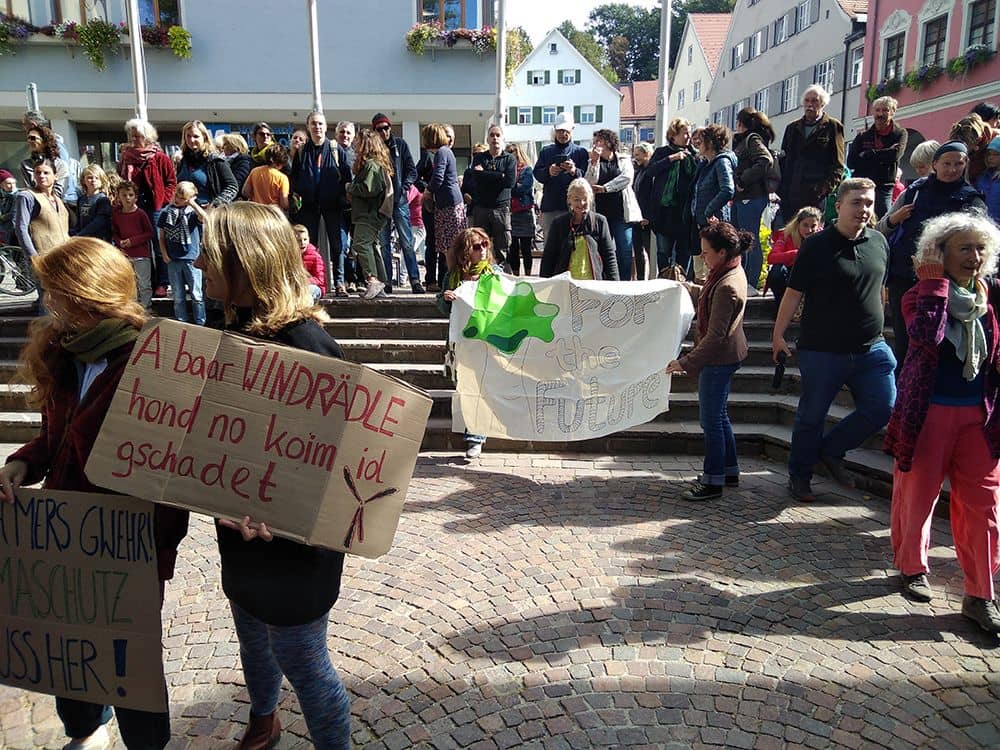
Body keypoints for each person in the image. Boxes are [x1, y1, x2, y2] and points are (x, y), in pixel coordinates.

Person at [0, 236, 188, 750]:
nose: (46, 302)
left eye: (53, 291)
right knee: (70, 644)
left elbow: (178, 465)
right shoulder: (64, 352)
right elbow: (54, 434)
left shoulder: (156, 360)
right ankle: (85, 732)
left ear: (84, 296)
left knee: (130, 658)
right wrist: (23, 462)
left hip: (127, 542)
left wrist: (155, 542)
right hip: (67, 536)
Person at [194, 202, 351, 749]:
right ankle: (265, 719)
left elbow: (338, 465)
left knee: (301, 659)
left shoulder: (308, 345)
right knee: (252, 637)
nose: (197, 263)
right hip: (240, 531)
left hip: (293, 544)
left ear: (248, 263)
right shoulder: (229, 331)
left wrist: (280, 514)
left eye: (211, 255)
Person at [885, 212, 1000, 634]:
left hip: (980, 417)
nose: (974, 257)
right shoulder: (918, 297)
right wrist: (935, 285)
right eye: (964, 248)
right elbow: (926, 339)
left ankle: (980, 594)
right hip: (929, 412)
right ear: (940, 254)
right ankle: (912, 566)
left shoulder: (994, 295)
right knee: (919, 496)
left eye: (980, 248)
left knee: (985, 507)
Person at [773, 177, 896, 502]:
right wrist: (777, 334)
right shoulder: (816, 245)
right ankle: (799, 475)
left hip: (872, 348)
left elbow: (880, 289)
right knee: (811, 415)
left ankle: (830, 450)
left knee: (883, 406)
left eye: (869, 203)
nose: (864, 209)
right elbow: (793, 293)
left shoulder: (879, 242)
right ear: (839, 206)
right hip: (823, 350)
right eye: (856, 202)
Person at [877, 141, 987, 368]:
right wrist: (894, 220)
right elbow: (881, 227)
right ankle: (904, 395)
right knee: (905, 344)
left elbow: (980, 240)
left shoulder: (972, 199)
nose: (952, 169)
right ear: (935, 164)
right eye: (946, 163)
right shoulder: (915, 191)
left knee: (937, 344)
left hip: (948, 284)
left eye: (959, 163)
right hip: (904, 277)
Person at [667, 222, 750, 501]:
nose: (703, 257)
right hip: (727, 355)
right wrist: (685, 287)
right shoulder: (729, 270)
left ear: (723, 252)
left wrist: (686, 362)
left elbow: (715, 337)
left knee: (711, 421)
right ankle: (729, 470)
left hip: (719, 359)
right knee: (720, 416)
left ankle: (712, 481)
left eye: (706, 252)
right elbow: (707, 295)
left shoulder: (727, 285)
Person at [437, 227, 501, 458]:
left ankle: (476, 437)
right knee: (466, 387)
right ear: (466, 252)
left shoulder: (494, 273)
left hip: (486, 340)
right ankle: (472, 430)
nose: (483, 250)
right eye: (477, 246)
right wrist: (446, 298)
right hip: (462, 342)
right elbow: (442, 307)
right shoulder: (453, 275)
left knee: (480, 387)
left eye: (485, 244)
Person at [289, 111, 352, 297]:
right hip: (308, 205)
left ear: (326, 127)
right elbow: (295, 178)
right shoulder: (301, 151)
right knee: (309, 245)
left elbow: (346, 175)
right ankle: (309, 283)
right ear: (308, 127)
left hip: (333, 204)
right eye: (314, 124)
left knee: (338, 245)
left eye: (320, 124)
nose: (317, 127)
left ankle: (340, 283)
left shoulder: (335, 149)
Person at [118, 118, 178, 296]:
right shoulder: (126, 157)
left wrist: (164, 201)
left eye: (138, 136)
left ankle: (162, 282)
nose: (134, 139)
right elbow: (122, 181)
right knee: (141, 246)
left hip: (156, 206)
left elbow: (171, 182)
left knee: (158, 245)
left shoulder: (160, 157)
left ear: (147, 137)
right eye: (132, 136)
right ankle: (146, 283)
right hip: (134, 205)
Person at [372, 113, 423, 294]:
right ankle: (387, 282)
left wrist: (405, 187)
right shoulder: (373, 149)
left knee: (407, 242)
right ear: (375, 131)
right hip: (381, 202)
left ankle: (415, 280)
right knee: (384, 244)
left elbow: (411, 170)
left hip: (399, 200)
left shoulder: (399, 145)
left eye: (386, 128)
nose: (384, 132)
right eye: (380, 129)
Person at [778, 84, 846, 219]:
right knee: (789, 234)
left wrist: (826, 188)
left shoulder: (833, 126)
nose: (810, 104)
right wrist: (781, 189)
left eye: (814, 101)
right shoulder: (792, 127)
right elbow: (784, 159)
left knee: (812, 233)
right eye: (807, 101)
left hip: (815, 192)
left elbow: (838, 163)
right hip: (791, 191)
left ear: (822, 104)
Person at [585, 128, 641, 280]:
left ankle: (624, 282)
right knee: (604, 250)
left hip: (622, 213)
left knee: (625, 251)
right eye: (594, 141)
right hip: (601, 214)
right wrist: (594, 162)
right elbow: (589, 181)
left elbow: (627, 178)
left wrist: (605, 188)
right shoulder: (593, 162)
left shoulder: (623, 159)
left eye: (599, 141)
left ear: (609, 142)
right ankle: (606, 280)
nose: (595, 144)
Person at [644, 118, 698, 275]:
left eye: (689, 133)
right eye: (684, 133)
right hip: (664, 212)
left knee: (684, 251)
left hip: (685, 212)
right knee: (663, 252)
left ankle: (682, 283)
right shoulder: (662, 152)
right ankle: (664, 279)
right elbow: (651, 171)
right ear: (674, 135)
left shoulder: (694, 154)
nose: (688, 136)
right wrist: (672, 159)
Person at [731, 107, 776, 292]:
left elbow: (765, 160)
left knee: (750, 239)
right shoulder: (746, 140)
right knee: (744, 239)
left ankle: (750, 282)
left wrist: (743, 179)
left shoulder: (752, 139)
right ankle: (746, 280)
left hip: (751, 196)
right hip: (744, 197)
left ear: (740, 123)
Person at [540, 178, 619, 280]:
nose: (581, 203)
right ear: (569, 200)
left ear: (591, 198)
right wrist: (544, 284)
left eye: (585, 199)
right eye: (576, 199)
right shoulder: (558, 224)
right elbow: (549, 257)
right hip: (565, 285)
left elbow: (609, 257)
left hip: (593, 285)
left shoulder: (600, 222)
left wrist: (615, 284)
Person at [346, 128, 393, 299]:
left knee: (361, 244)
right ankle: (380, 282)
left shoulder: (371, 165)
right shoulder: (376, 164)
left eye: (357, 142)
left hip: (368, 214)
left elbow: (369, 188)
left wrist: (350, 187)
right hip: (373, 214)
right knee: (372, 246)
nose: (354, 145)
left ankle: (373, 279)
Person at [847, 96, 908, 218]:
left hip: (883, 187)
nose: (880, 114)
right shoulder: (863, 136)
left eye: (885, 110)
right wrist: (884, 154)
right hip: (862, 185)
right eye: (877, 110)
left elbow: (894, 156)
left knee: (883, 221)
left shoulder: (900, 133)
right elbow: (851, 162)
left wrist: (868, 154)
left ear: (893, 112)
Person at [465, 124, 516, 268]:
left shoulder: (510, 159)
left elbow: (510, 182)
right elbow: (477, 179)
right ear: (487, 138)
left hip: (501, 209)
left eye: (498, 135)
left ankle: (503, 277)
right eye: (492, 135)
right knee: (479, 247)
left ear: (503, 138)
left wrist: (486, 175)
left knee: (503, 248)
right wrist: (500, 175)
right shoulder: (479, 158)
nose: (495, 138)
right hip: (481, 208)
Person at [690, 124, 737, 283]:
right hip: (703, 222)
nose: (698, 143)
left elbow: (728, 189)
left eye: (701, 140)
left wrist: (709, 211)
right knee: (703, 265)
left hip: (715, 222)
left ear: (710, 142)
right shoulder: (705, 164)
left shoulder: (721, 162)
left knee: (715, 265)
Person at [158, 181, 208, 325]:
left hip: (191, 258)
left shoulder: (192, 214)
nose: (178, 200)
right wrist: (164, 254)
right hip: (173, 259)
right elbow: (161, 236)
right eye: (177, 196)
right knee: (178, 295)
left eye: (183, 198)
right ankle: (181, 321)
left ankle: (201, 322)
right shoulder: (166, 213)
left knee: (196, 294)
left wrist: (192, 203)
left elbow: (205, 218)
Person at [532, 113, 589, 238]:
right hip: (550, 206)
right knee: (550, 247)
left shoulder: (581, 152)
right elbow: (537, 174)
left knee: (573, 244)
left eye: (566, 131)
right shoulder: (546, 151)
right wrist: (549, 171)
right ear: (555, 130)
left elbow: (587, 178)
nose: (563, 134)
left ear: (572, 129)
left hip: (575, 208)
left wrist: (574, 171)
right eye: (559, 131)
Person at [423, 123, 467, 275]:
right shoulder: (446, 152)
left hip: (449, 204)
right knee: (449, 245)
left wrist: (427, 192)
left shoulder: (442, 152)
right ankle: (451, 280)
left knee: (450, 246)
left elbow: (438, 177)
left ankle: (452, 281)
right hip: (449, 203)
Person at [765, 206, 823, 308]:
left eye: (813, 226)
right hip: (790, 273)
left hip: (812, 276)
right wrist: (797, 253)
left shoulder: (822, 237)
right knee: (777, 272)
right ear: (798, 224)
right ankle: (781, 306)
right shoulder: (786, 234)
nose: (809, 230)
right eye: (805, 225)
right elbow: (772, 257)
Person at [14, 160, 70, 261]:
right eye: (38, 173)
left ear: (55, 176)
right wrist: (33, 257)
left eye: (46, 173)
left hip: (64, 256)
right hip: (43, 259)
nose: (41, 176)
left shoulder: (57, 199)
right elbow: (21, 228)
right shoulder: (27, 196)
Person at [112, 180, 155, 309]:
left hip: (141, 255)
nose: (127, 198)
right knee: (130, 283)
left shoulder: (140, 213)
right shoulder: (117, 214)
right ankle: (133, 308)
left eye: (130, 195)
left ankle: (146, 307)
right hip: (125, 255)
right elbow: (115, 232)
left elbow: (149, 233)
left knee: (144, 284)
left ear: (136, 197)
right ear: (118, 196)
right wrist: (119, 242)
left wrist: (133, 241)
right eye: (124, 195)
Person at [506, 142, 536, 276]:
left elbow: (523, 189)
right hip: (510, 212)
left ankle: (528, 275)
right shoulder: (506, 171)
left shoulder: (527, 170)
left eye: (515, 156)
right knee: (513, 248)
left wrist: (509, 185)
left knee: (526, 248)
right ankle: (516, 275)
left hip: (525, 212)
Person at [20, 124, 68, 199]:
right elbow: (30, 188)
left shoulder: (60, 164)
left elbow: (58, 192)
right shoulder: (26, 164)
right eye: (28, 138)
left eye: (33, 138)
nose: (29, 141)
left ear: (45, 141)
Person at [630, 142, 654, 279]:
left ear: (646, 154)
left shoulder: (651, 173)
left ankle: (650, 278)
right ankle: (640, 278)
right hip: (637, 217)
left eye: (638, 155)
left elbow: (652, 196)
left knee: (649, 251)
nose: (635, 158)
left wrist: (648, 216)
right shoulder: (639, 171)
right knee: (638, 251)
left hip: (646, 218)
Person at [243, 144, 291, 210]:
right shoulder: (282, 178)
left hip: (256, 211)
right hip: (273, 213)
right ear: (282, 161)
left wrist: (256, 198)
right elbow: (284, 204)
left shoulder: (255, 171)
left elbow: (245, 192)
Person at [73, 163, 113, 241]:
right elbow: (78, 222)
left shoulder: (103, 200)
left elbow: (99, 222)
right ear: (84, 180)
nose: (93, 180)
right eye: (90, 177)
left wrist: (80, 235)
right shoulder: (81, 200)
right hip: (83, 240)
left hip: (99, 240)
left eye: (97, 178)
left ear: (101, 180)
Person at [293, 223, 327, 302]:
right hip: (296, 286)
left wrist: (304, 281)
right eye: (298, 240)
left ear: (309, 239)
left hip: (315, 287)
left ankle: (303, 310)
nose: (302, 243)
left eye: (305, 239)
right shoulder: (289, 256)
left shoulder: (315, 256)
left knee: (308, 292)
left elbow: (320, 279)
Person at [975, 136, 1000, 223]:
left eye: (996, 154)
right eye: (989, 154)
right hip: (984, 226)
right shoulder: (982, 177)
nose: (991, 157)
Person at [0, 168, 16, 245]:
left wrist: (2, 217)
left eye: (13, 183)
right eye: (8, 183)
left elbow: (14, 213)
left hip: (14, 231)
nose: (12, 186)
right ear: (2, 185)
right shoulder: (5, 196)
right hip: (6, 231)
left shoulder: (18, 196)